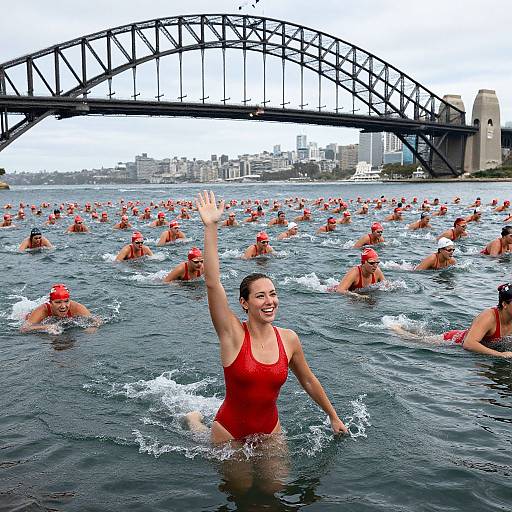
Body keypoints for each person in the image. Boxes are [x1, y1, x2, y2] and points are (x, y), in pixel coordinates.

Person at [185, 190, 348, 446]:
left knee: (275, 487)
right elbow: (213, 283)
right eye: (260, 296)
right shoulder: (232, 333)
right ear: (244, 303)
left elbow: (307, 379)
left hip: (270, 430)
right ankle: (194, 420)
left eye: (272, 294)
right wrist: (211, 226)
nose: (269, 301)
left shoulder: (289, 339)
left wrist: (333, 416)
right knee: (238, 485)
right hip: (230, 432)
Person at [441, 284, 512, 357]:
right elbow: (468, 343)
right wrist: (500, 354)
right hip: (450, 342)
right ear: (504, 304)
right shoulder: (489, 317)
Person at [21, 284, 100, 334]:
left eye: (66, 301)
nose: (63, 306)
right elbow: (24, 329)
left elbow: (97, 320)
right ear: (51, 303)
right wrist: (46, 327)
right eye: (58, 302)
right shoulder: (42, 310)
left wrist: (92, 327)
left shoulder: (76, 307)